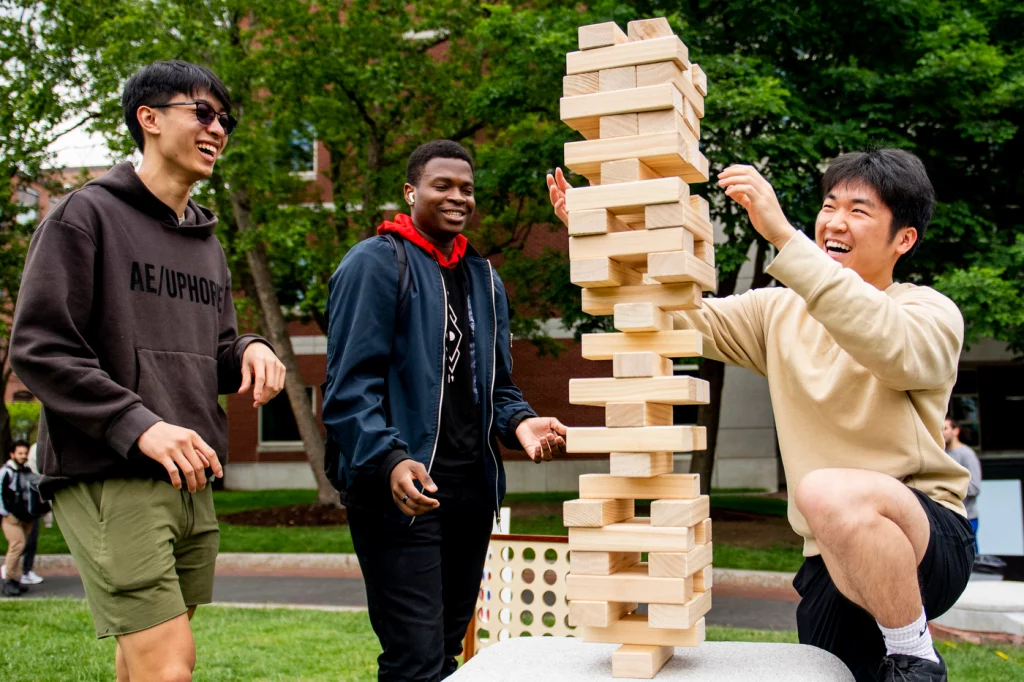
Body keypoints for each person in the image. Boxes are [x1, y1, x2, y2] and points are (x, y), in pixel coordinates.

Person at [547, 149, 973, 682]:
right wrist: (606, 241)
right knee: (837, 673)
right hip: (831, 555)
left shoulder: (928, 312)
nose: (835, 222)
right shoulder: (779, 311)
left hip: (926, 538)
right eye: (830, 205)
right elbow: (678, 317)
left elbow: (890, 345)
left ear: (903, 239)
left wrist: (784, 238)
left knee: (824, 490)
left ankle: (917, 657)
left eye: (859, 211)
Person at [9, 60, 285, 680]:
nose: (218, 128)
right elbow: (40, 349)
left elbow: (213, 351)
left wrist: (248, 348)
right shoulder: (85, 216)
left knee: (144, 654)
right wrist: (138, 425)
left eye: (225, 119)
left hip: (188, 469)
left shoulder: (206, 242)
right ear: (150, 118)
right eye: (203, 113)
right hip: (110, 470)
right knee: (169, 662)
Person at [324, 139, 567, 681]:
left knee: (444, 650)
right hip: (401, 492)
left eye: (467, 188)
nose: (459, 197)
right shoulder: (374, 263)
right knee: (414, 660)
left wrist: (521, 422)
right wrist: (389, 460)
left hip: (469, 493)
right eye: (443, 186)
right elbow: (347, 390)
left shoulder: (483, 277)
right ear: (411, 192)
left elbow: (498, 386)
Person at [1, 440, 44, 587]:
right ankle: (8, 580)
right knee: (17, 545)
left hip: (27, 517)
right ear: (12, 454)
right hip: (12, 517)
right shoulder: (6, 471)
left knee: (23, 546)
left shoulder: (27, 471)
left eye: (25, 453)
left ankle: (13, 579)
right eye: (19, 453)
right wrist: (5, 513)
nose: (23, 456)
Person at [943, 417, 981, 552]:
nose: (942, 432)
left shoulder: (967, 454)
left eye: (945, 428)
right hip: (947, 519)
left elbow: (974, 488)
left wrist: (947, 489)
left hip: (967, 518)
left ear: (956, 431)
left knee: (971, 561)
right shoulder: (942, 454)